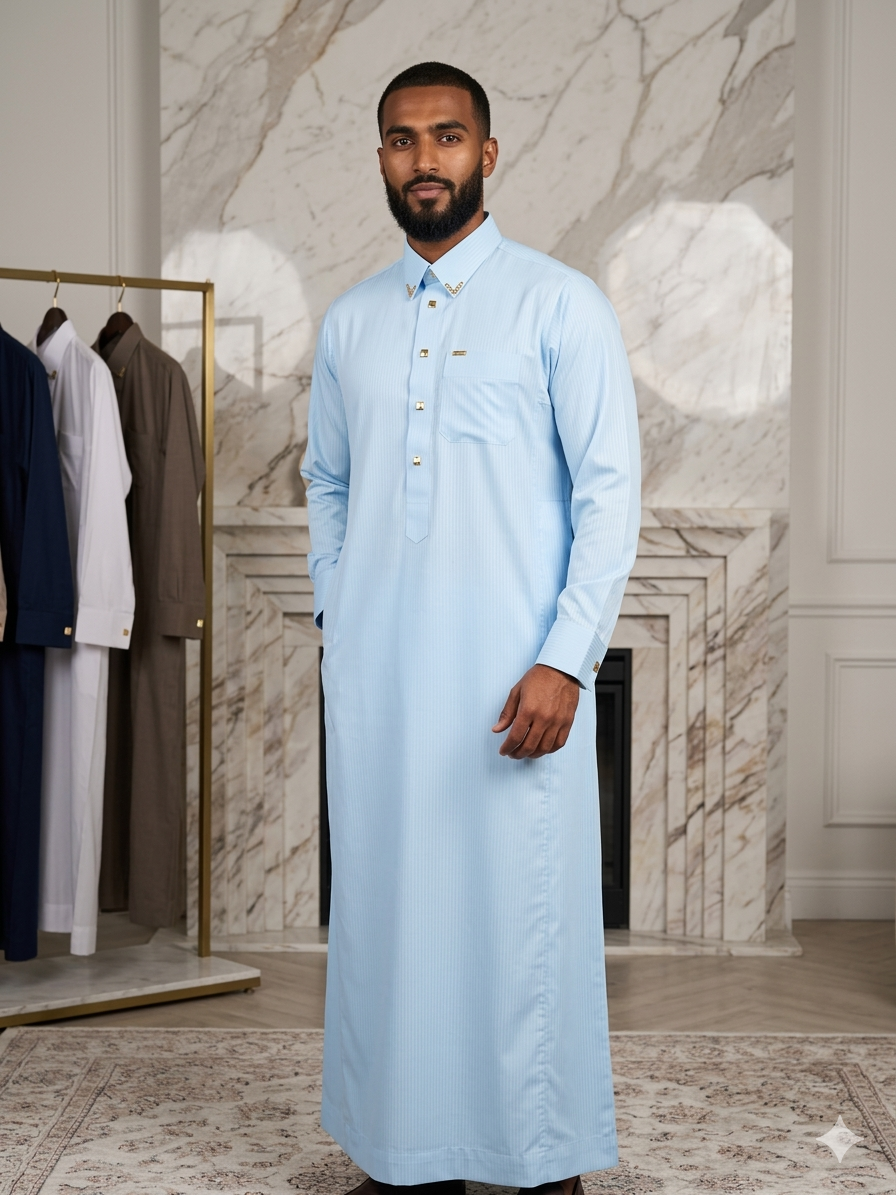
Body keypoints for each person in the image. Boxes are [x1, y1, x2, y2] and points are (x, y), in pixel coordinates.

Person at [302, 61, 641, 1195]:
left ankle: (543, 1160)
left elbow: (609, 496)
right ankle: (402, 1155)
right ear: (381, 159)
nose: (425, 158)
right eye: (402, 139)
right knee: (390, 921)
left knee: (519, 921)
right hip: (380, 683)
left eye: (447, 137)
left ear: (486, 155)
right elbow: (328, 482)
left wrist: (565, 659)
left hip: (514, 681)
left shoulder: (560, 304)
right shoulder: (351, 322)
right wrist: (339, 611)